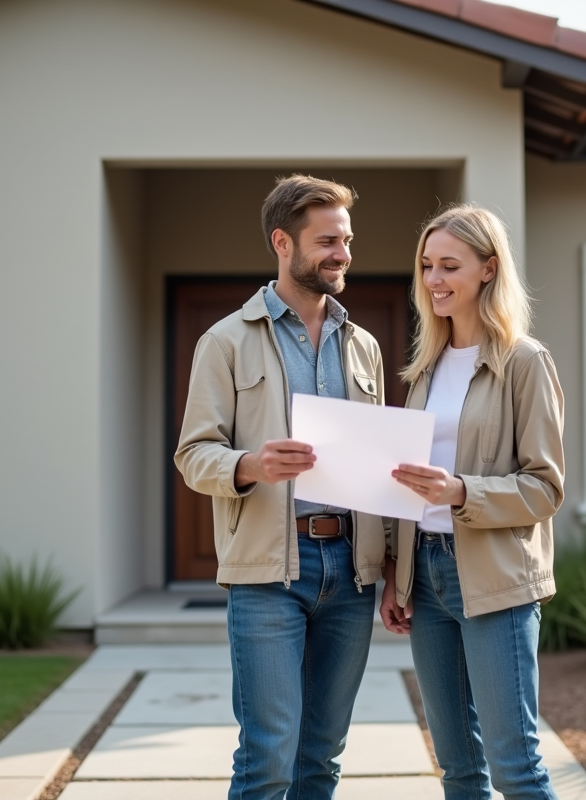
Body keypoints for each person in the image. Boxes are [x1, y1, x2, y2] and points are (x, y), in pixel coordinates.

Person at [174, 175, 387, 800]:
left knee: (321, 758)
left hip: (350, 572)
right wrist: (250, 466)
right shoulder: (225, 341)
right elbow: (193, 455)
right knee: (268, 757)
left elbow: (376, 463)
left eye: (346, 240)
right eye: (327, 241)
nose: (343, 254)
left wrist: (391, 567)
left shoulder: (364, 347)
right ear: (283, 243)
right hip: (268, 574)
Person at [380, 204, 565, 800]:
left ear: (488, 269)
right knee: (458, 769)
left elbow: (545, 488)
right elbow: (407, 486)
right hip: (428, 580)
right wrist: (397, 577)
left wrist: (462, 492)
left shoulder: (525, 362)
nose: (434, 280)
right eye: (427, 266)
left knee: (515, 767)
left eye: (449, 266)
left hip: (493, 580)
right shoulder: (426, 369)